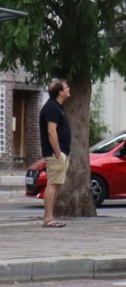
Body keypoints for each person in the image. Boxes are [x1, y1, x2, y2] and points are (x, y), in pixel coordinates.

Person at [38, 80, 71, 228]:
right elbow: (51, 131)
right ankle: (48, 217)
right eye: (66, 87)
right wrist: (57, 152)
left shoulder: (58, 107)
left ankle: (51, 216)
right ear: (60, 92)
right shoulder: (52, 107)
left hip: (61, 152)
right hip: (55, 153)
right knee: (53, 183)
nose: (69, 89)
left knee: (57, 184)